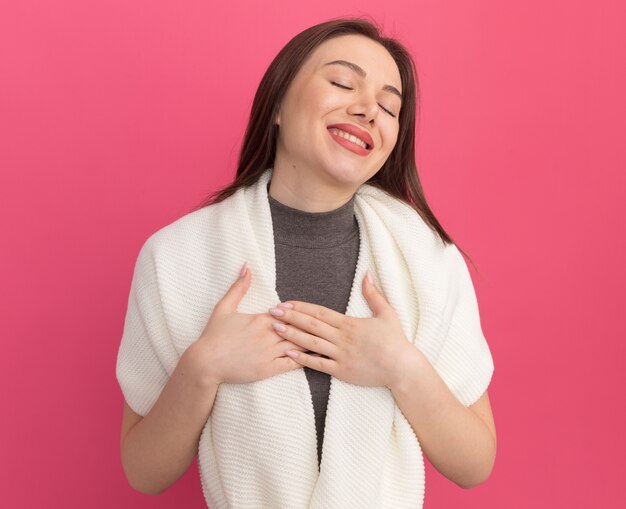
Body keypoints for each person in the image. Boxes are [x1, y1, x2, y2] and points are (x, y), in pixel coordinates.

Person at [116, 17, 496, 508]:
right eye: (342, 83)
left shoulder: (428, 262)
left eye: (388, 107)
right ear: (276, 103)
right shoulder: (175, 258)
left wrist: (402, 368)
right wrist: (202, 368)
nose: (367, 110)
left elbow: (475, 464)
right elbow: (144, 472)